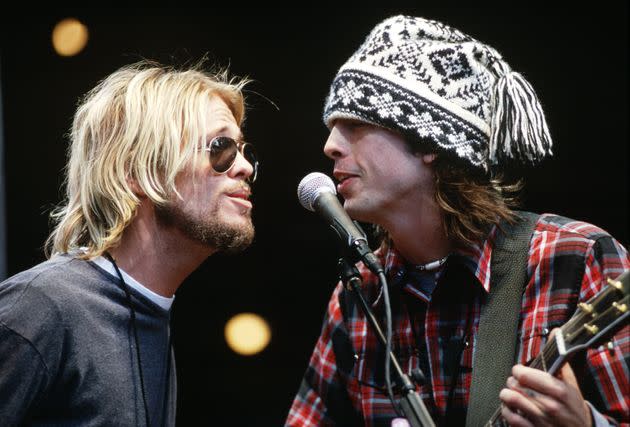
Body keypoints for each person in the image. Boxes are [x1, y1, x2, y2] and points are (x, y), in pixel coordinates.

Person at [287, 15, 629, 427]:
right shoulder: (359, 296)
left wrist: (588, 426)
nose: (330, 146)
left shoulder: (574, 258)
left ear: (429, 141)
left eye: (355, 124)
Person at [0, 60, 258, 426]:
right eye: (221, 148)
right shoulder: (41, 308)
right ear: (138, 171)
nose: (245, 166)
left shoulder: (153, 315)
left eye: (244, 151)